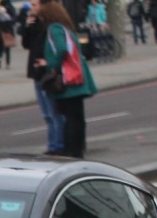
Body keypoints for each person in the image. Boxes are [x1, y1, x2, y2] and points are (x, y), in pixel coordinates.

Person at [35, 0, 97, 158]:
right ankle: (78, 149)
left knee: (69, 118)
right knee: (77, 117)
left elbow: (61, 48)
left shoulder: (54, 29)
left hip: (67, 82)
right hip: (77, 79)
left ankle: (71, 151)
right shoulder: (66, 28)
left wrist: (51, 64)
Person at [22, 0, 64, 154]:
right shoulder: (35, 24)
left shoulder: (50, 26)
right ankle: (52, 144)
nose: (31, 8)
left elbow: (57, 48)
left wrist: (48, 61)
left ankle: (57, 145)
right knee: (46, 114)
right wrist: (27, 25)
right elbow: (26, 44)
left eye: (34, 5)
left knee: (54, 112)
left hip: (47, 73)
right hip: (36, 73)